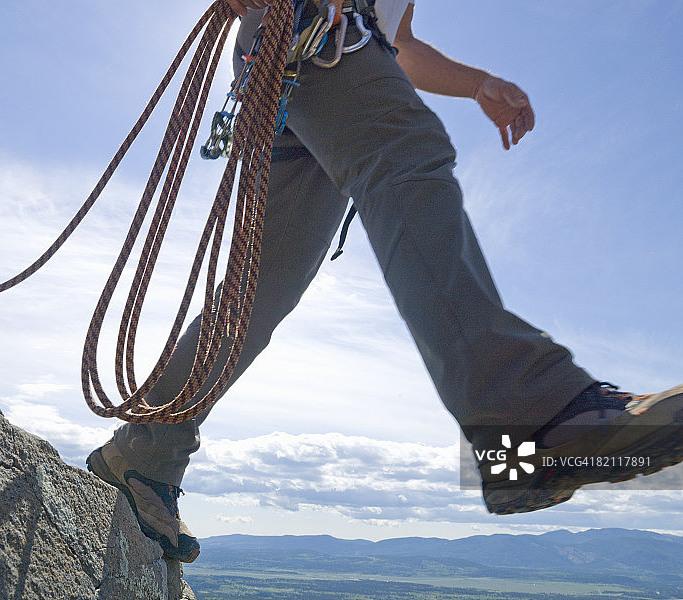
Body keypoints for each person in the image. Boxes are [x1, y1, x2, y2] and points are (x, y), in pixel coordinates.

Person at [87, 0, 683, 563]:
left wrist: (476, 83)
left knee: (262, 289)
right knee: (405, 158)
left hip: (301, 51)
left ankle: (144, 454)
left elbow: (399, 42)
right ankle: (529, 427)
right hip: (318, 34)